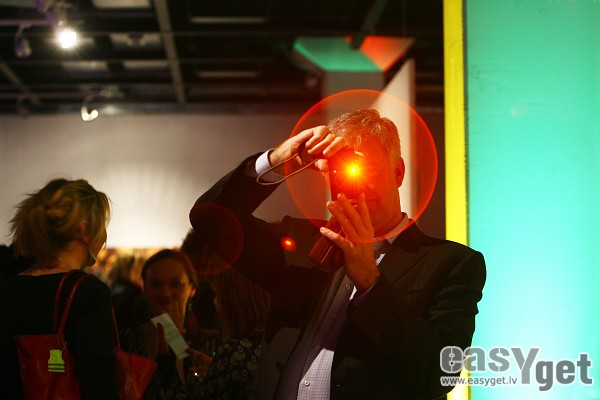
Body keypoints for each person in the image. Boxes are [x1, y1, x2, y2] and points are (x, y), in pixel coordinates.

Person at [189, 109, 487, 399]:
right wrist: (279, 161)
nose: (359, 184)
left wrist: (370, 281)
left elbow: (438, 374)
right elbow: (210, 220)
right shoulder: (300, 241)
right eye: (342, 171)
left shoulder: (450, 263)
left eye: (370, 170)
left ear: (398, 172)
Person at [0, 178, 119, 399]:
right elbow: (98, 380)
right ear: (85, 228)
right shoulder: (89, 292)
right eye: (102, 224)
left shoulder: (8, 290)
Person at [119, 248, 217, 400]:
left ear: (192, 289)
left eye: (176, 284)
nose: (165, 293)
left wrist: (173, 339)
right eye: (156, 285)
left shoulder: (212, 343)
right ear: (144, 288)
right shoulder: (126, 341)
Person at [199, 263, 271, 400]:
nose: (214, 302)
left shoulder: (234, 354)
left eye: (217, 293)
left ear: (232, 298)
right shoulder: (279, 343)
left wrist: (165, 359)